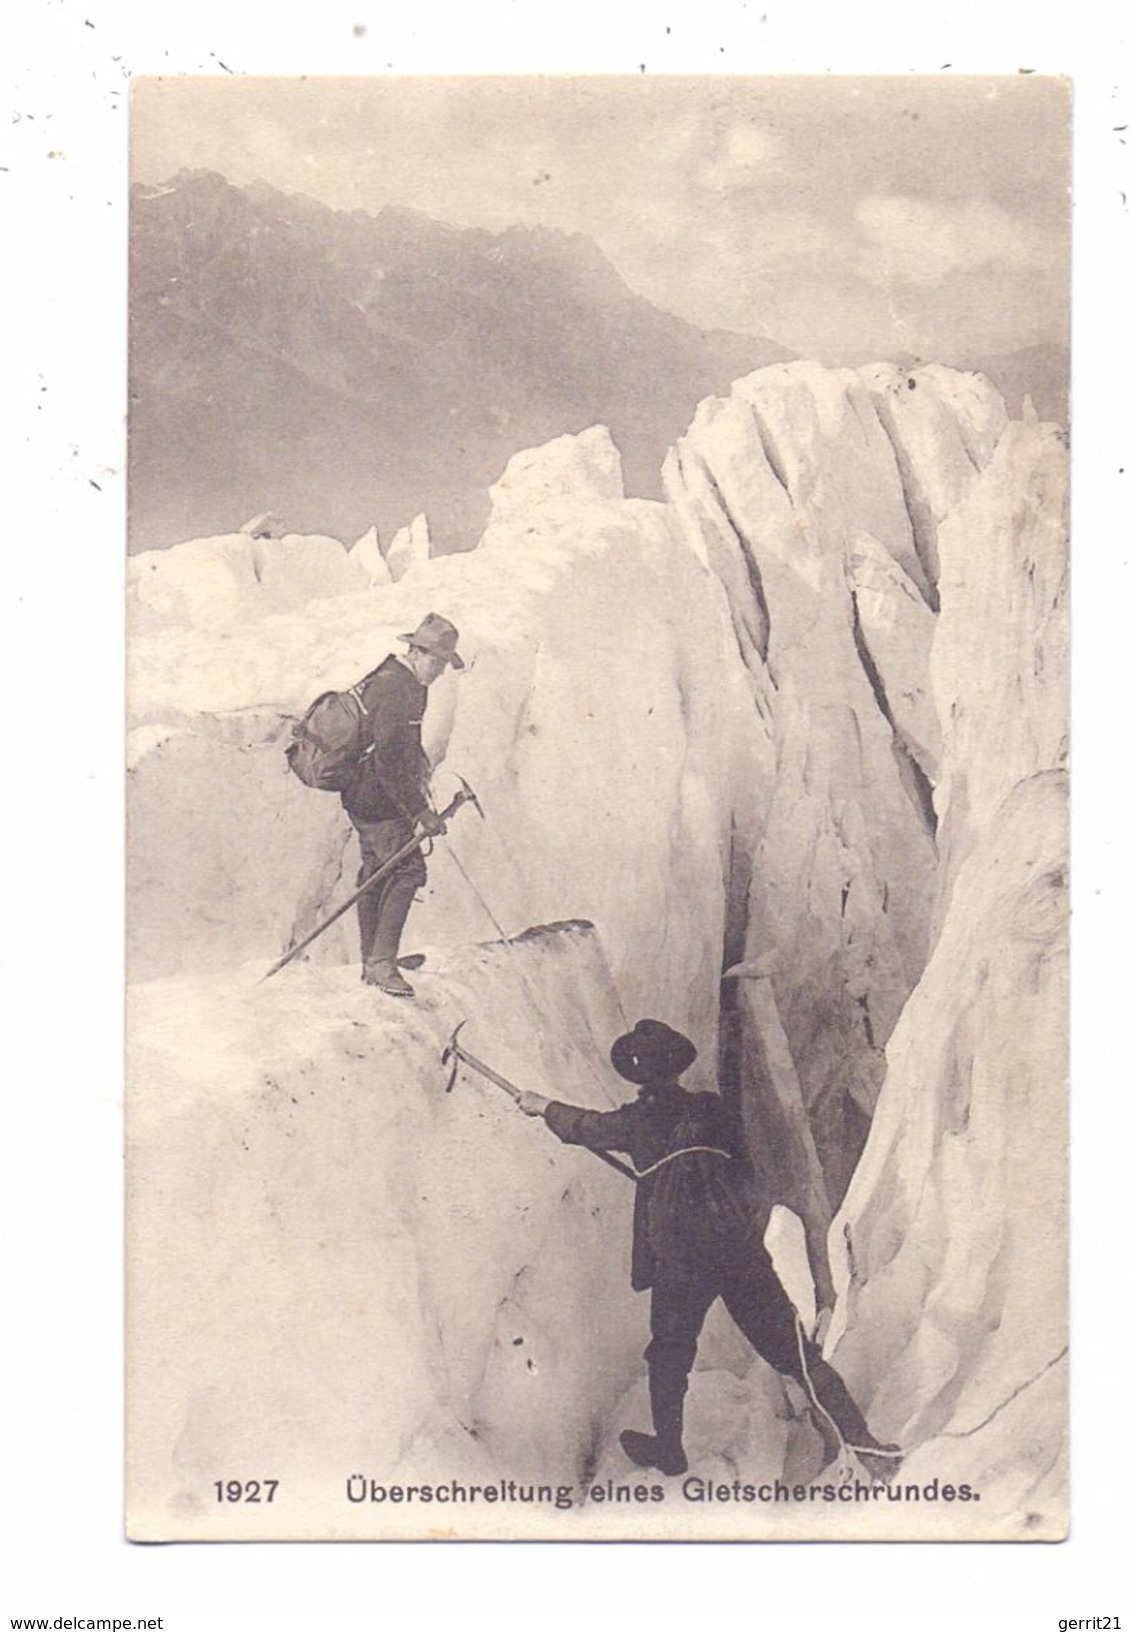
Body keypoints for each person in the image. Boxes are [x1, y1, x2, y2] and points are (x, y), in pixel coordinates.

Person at [518, 1018, 896, 1479]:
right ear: (676, 1068)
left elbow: (587, 1127)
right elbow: (744, 1169)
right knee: (795, 1353)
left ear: (637, 1076)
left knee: (669, 1353)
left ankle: (669, 1449)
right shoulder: (713, 1110)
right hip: (738, 1248)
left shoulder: (638, 1119)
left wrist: (541, 1106)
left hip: (683, 1255)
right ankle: (865, 1444)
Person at [342, 613, 463, 997]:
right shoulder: (395, 688)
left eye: (445, 664)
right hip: (375, 797)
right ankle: (381, 963)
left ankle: (373, 959)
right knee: (408, 870)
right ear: (414, 650)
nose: (439, 671)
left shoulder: (409, 683)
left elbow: (403, 749)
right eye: (435, 661)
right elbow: (388, 761)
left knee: (378, 870)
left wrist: (421, 774)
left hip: (370, 792)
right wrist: (419, 812)